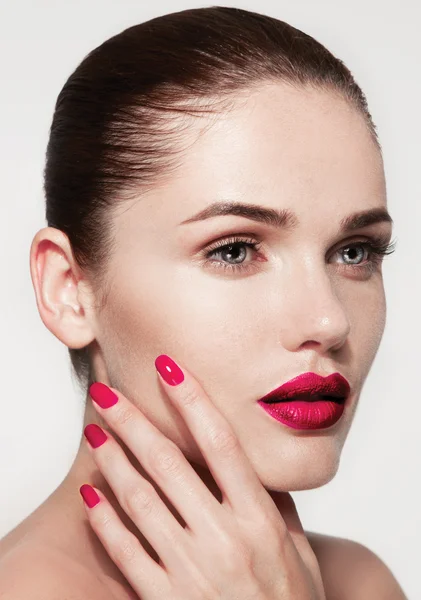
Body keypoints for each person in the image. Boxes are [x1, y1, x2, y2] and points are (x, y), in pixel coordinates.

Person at [0, 5, 407, 599]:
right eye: (235, 251)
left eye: (354, 251)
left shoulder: (356, 583)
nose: (328, 320)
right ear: (69, 289)